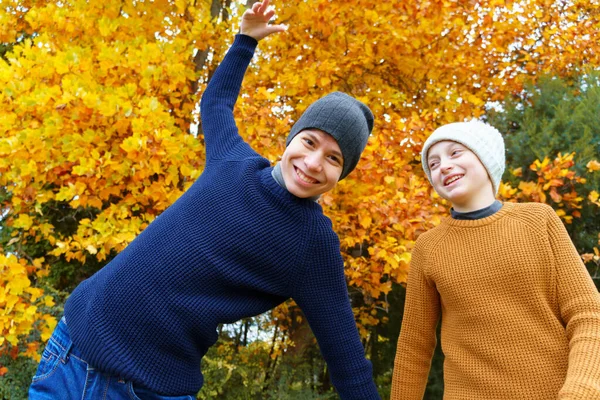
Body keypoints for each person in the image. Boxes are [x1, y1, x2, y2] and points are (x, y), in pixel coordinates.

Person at [28, 1, 381, 398]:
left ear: (342, 173)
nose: (314, 163)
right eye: (310, 142)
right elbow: (215, 103)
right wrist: (246, 40)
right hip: (70, 351)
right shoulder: (234, 161)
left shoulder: (311, 244)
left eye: (333, 159)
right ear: (292, 138)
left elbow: (347, 359)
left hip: (148, 389)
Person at [391, 120, 600, 399]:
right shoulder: (428, 248)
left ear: (485, 157)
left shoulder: (539, 220)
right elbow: (413, 348)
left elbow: (588, 315)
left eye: (455, 153)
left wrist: (581, 390)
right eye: (433, 163)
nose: (443, 166)